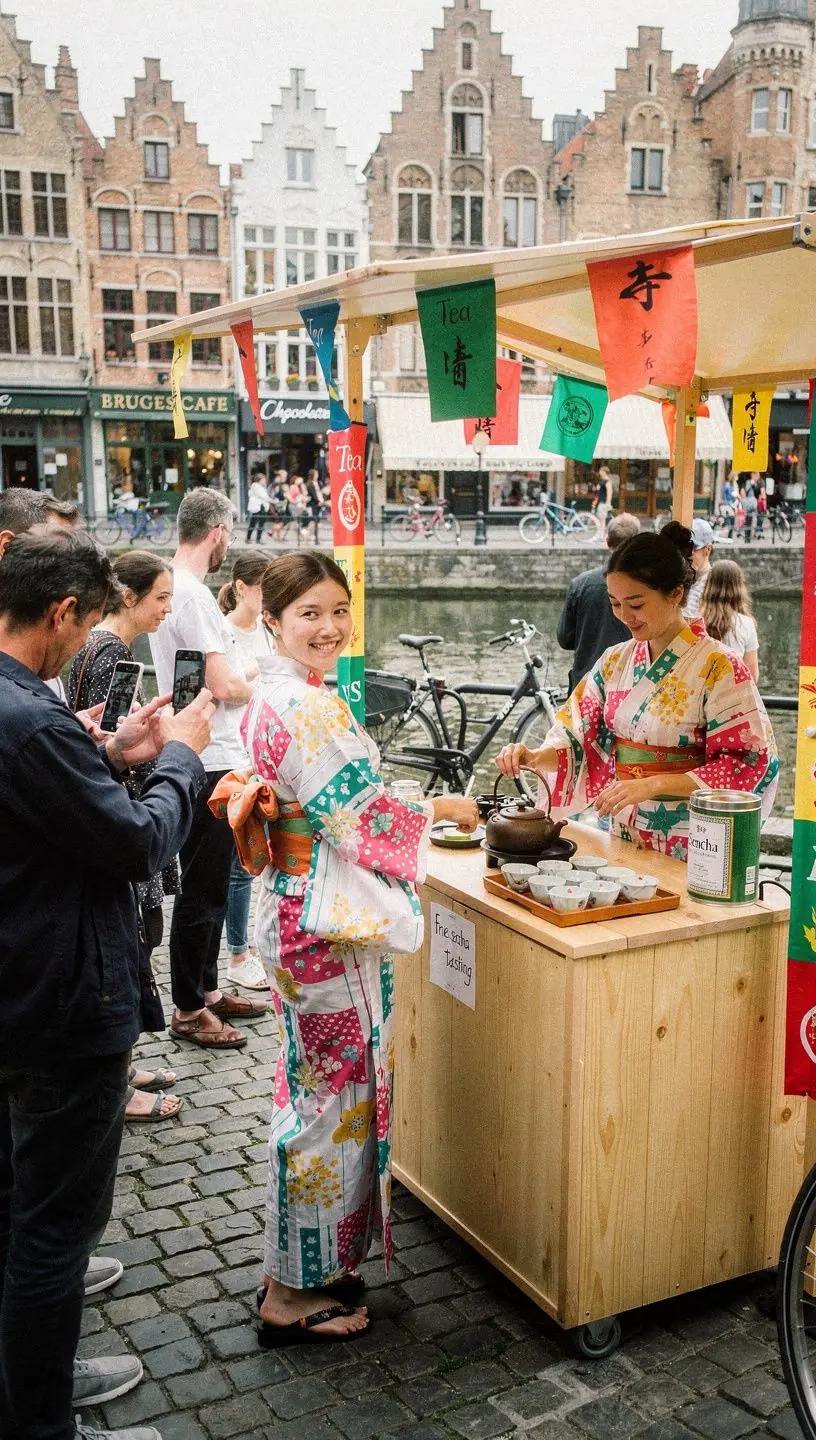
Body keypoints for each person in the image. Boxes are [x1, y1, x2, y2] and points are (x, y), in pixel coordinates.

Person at [0, 528, 214, 1440]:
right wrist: (178, 762)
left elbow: (43, 799)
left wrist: (104, 751)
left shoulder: (28, 715)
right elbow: (135, 843)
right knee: (55, 1233)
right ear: (59, 614)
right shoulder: (27, 720)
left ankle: (29, 1394)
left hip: (17, 990)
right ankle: (48, 1425)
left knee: (21, 1217)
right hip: (59, 1003)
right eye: (81, 624)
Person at [242, 552, 477, 1342]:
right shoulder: (306, 708)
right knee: (328, 1105)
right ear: (272, 618)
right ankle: (289, 1293)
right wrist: (445, 808)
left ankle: (313, 1265)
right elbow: (361, 819)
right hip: (321, 926)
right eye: (309, 612)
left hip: (294, 910)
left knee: (316, 1088)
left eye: (339, 610)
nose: (331, 627)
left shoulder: (276, 695)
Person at [496, 523, 778, 861]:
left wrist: (654, 783)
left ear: (675, 594)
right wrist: (533, 757)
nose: (625, 616)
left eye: (636, 604)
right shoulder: (615, 660)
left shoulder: (720, 666)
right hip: (625, 826)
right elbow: (579, 736)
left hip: (697, 837)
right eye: (615, 603)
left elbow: (749, 760)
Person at [149, 489, 268, 1051]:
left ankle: (210, 989)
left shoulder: (178, 589)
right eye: (230, 535)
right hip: (210, 756)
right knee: (202, 889)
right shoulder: (194, 596)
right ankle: (190, 1008)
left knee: (215, 884)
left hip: (208, 753)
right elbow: (224, 686)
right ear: (218, 531)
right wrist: (261, 678)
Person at [69, 551, 184, 1123]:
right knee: (132, 939)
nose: (168, 609)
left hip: (119, 793)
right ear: (130, 597)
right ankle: (120, 1080)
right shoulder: (110, 651)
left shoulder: (95, 647)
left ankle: (125, 1066)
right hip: (127, 803)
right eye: (161, 597)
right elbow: (110, 737)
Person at [217, 551, 275, 992]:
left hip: (266, 756)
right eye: (263, 587)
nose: (271, 596)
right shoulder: (224, 633)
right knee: (240, 862)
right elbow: (230, 691)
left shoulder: (269, 630)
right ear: (241, 588)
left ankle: (254, 945)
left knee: (262, 854)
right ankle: (238, 953)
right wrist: (265, 678)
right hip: (234, 756)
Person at [557, 513, 641, 693]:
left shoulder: (581, 584)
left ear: (607, 542)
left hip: (587, 686)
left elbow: (565, 639)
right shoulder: (649, 586)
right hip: (631, 686)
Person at [701, 559, 760, 682]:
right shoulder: (746, 623)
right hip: (731, 696)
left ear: (708, 586)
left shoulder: (696, 622)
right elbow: (752, 675)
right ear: (739, 588)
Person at [682, 517, 715, 619]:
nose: (687, 554)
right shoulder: (678, 578)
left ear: (708, 549)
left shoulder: (715, 585)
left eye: (693, 549)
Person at [245, 467, 270, 544]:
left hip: (262, 506)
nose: (265, 480)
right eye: (263, 479)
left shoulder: (262, 486)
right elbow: (263, 496)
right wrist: (274, 501)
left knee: (261, 523)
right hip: (257, 507)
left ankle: (258, 539)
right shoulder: (255, 485)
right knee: (253, 522)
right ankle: (248, 538)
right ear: (260, 479)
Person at [303, 467, 325, 542]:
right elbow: (314, 494)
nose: (317, 475)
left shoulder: (314, 483)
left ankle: (314, 538)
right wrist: (319, 501)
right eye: (316, 474)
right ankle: (308, 537)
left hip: (315, 504)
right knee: (313, 521)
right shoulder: (311, 483)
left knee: (314, 521)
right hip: (313, 504)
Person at [593, 463, 612, 529]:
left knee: (602, 519)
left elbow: (609, 492)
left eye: (600, 471)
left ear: (604, 472)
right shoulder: (601, 480)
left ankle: (601, 535)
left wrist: (608, 503)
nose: (599, 472)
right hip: (599, 501)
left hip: (603, 502)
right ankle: (600, 534)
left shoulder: (607, 481)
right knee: (599, 518)